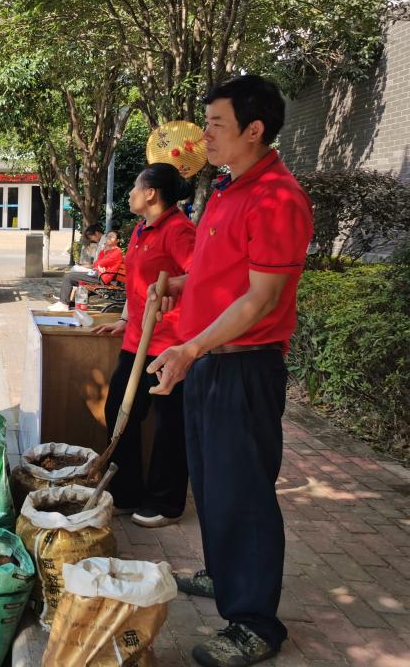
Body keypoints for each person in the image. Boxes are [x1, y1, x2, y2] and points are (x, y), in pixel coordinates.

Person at [146, 75, 313, 667]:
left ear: (254, 129)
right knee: (212, 483)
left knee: (243, 492)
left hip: (244, 368)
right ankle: (222, 574)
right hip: (211, 360)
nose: (204, 135)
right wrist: (181, 286)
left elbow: (261, 300)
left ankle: (254, 623)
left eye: (215, 124)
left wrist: (189, 349)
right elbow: (225, 276)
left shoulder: (278, 198)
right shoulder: (227, 187)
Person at [93, 163, 195, 527]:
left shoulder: (179, 230)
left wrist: (175, 287)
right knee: (119, 410)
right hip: (136, 339)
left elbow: (198, 275)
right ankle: (126, 491)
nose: (131, 193)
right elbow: (136, 281)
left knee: (169, 425)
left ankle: (167, 502)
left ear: (151, 192)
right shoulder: (140, 230)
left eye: (136, 186)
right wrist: (123, 319)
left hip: (169, 343)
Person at [58, 230, 124, 305]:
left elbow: (100, 263)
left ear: (117, 240)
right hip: (97, 274)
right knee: (70, 275)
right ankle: (65, 302)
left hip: (102, 278)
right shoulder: (108, 250)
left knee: (69, 276)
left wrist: (99, 265)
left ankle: (63, 304)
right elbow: (96, 264)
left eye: (112, 237)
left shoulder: (117, 252)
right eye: (108, 236)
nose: (108, 238)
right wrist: (103, 252)